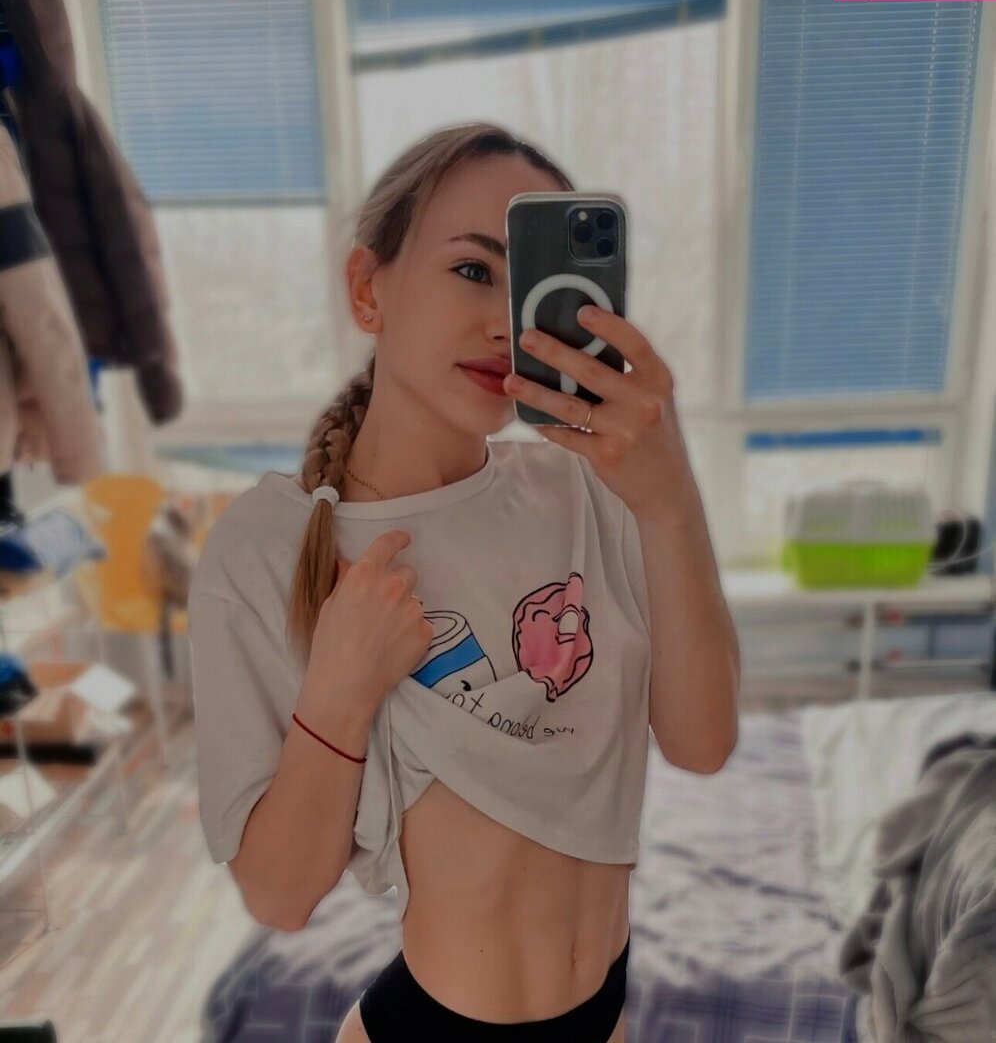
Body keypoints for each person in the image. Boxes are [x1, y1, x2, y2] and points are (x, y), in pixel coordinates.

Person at [189, 122, 727, 1043]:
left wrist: (672, 503)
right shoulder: (267, 548)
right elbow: (279, 895)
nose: (506, 324)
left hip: (605, 1016)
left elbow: (702, 743)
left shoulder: (584, 490)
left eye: (534, 285)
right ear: (370, 289)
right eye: (474, 270)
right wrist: (341, 689)